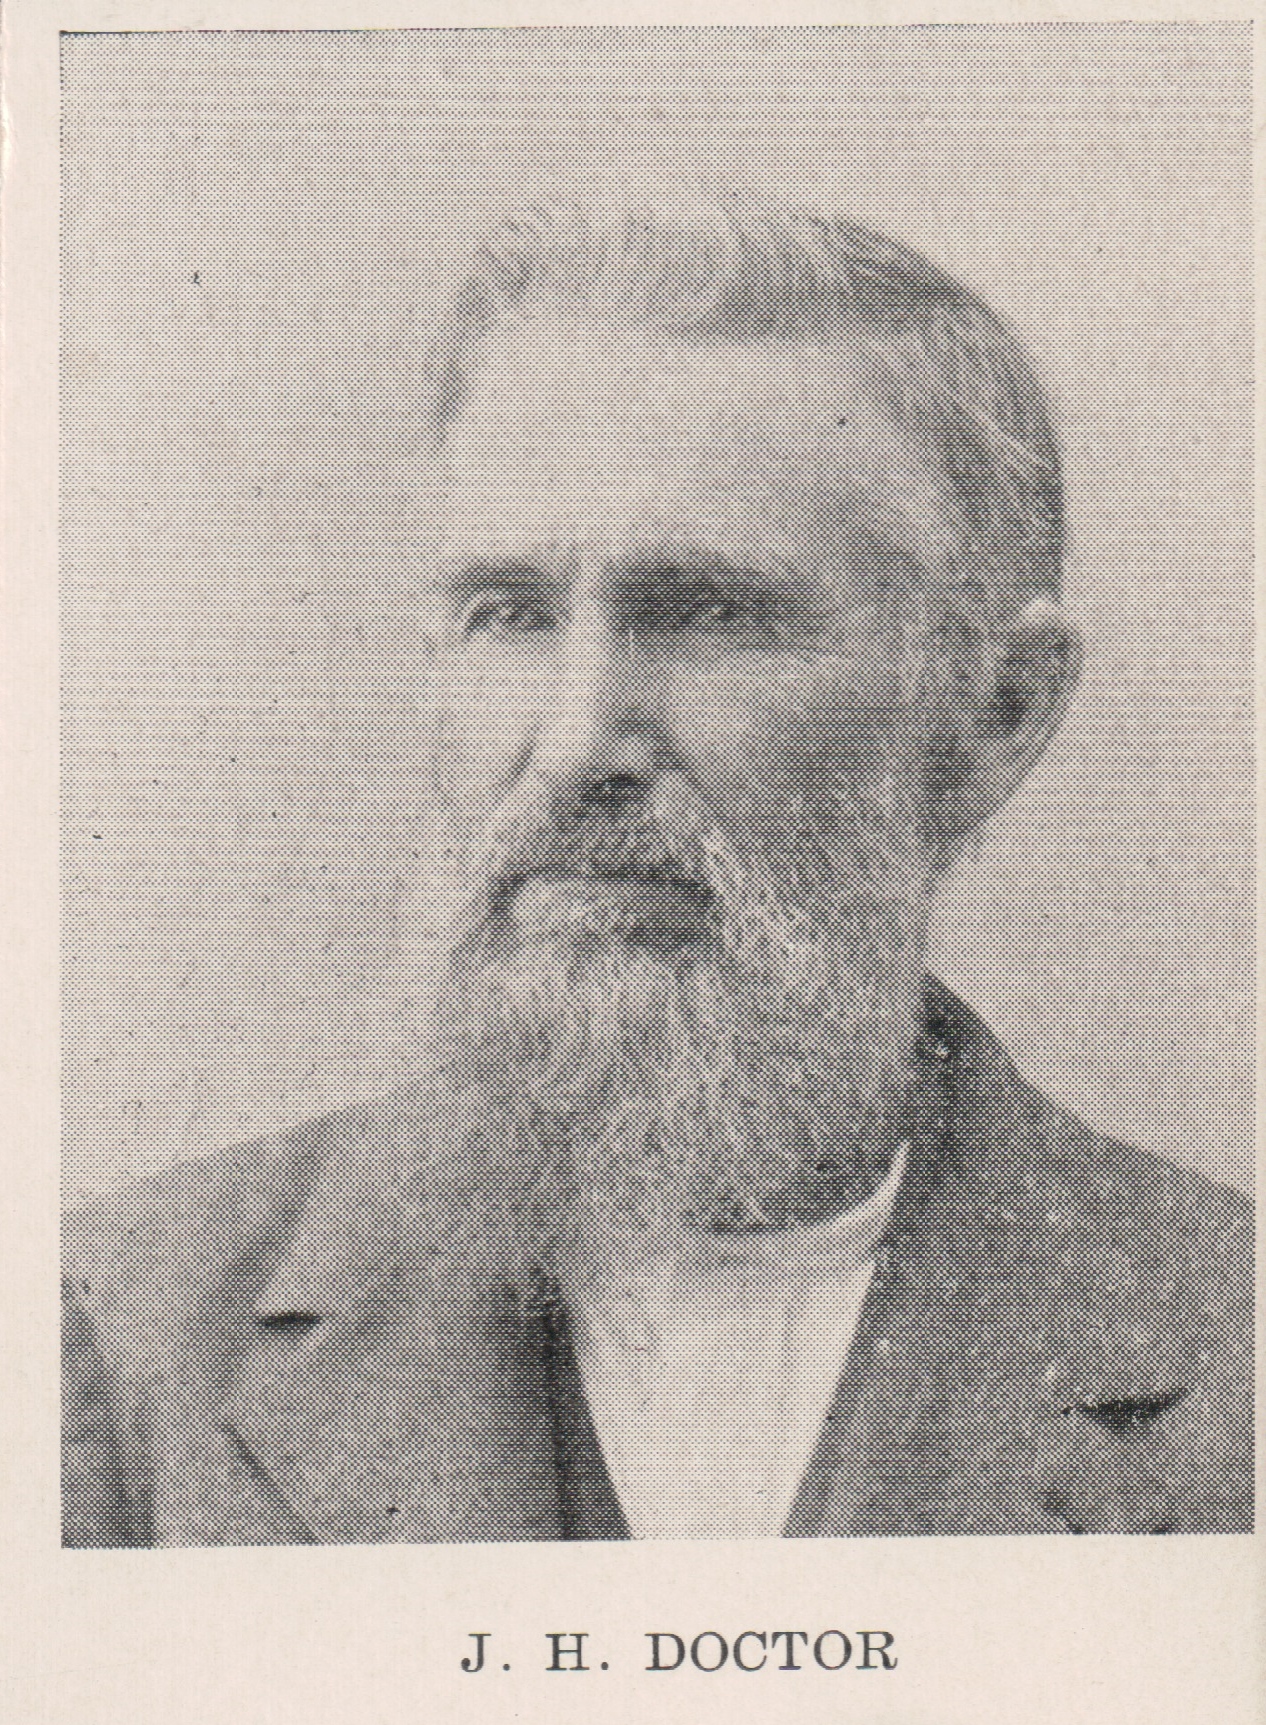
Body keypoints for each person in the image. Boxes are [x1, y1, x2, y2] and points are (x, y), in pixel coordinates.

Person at [62, 201, 1253, 1546]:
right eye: (509, 614)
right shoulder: (122, 1339)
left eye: (708, 614)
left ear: (993, 713)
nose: (576, 744)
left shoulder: (1231, 1348)